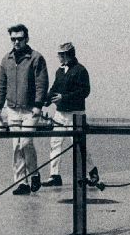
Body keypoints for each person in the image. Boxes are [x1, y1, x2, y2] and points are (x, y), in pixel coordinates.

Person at [0, 24, 49, 195]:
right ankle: (21, 183)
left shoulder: (36, 58)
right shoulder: (6, 59)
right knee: (16, 146)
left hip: (31, 109)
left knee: (26, 142)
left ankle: (34, 174)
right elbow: (2, 85)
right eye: (13, 39)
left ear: (27, 39)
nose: (16, 42)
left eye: (20, 39)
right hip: (12, 109)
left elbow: (42, 84)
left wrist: (39, 106)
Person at [42, 42, 102, 189]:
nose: (59, 57)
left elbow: (85, 91)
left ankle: (92, 172)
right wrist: (46, 100)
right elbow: (54, 88)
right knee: (55, 143)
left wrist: (64, 97)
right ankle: (54, 175)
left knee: (78, 145)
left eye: (61, 55)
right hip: (60, 113)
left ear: (68, 54)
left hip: (76, 114)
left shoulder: (81, 70)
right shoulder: (59, 71)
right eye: (59, 55)